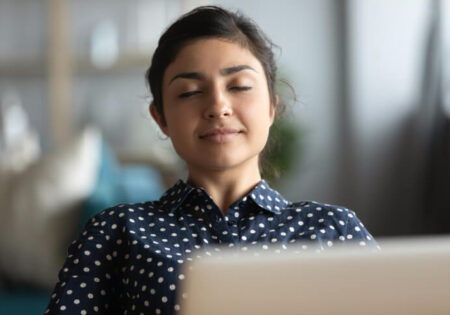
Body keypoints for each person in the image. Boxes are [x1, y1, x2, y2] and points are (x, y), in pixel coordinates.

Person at [45, 6, 377, 315]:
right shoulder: (116, 232)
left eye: (240, 86)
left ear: (272, 107)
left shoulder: (333, 230)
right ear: (160, 118)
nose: (218, 106)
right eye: (189, 92)